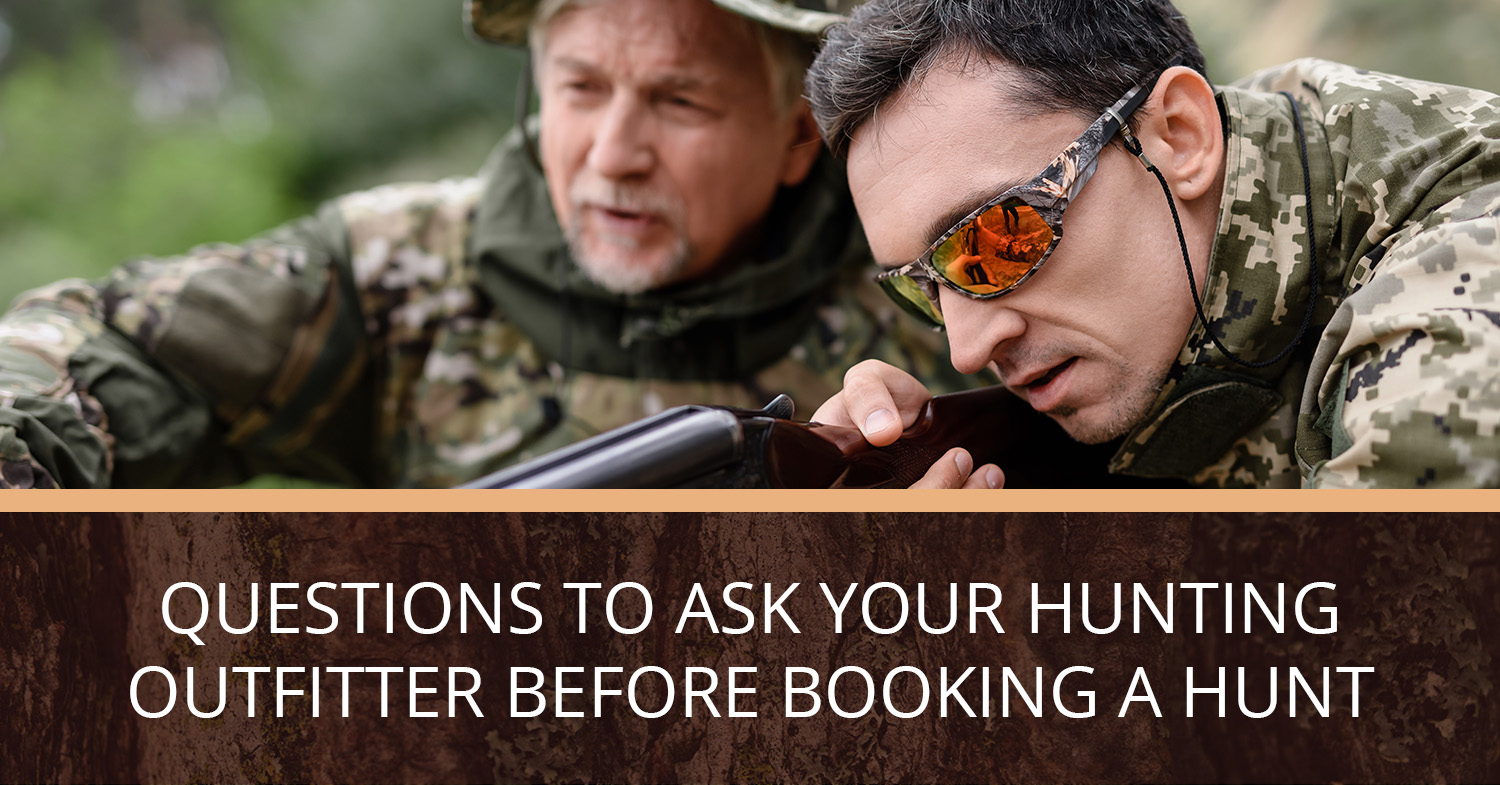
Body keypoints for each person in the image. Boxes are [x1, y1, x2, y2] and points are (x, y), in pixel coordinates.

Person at [0, 0, 968, 489]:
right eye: (581, 89)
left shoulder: (943, 287)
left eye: (679, 101)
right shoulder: (398, 266)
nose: (614, 153)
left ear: (800, 133)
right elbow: (99, 338)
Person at [805, 0, 1500, 488]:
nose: (965, 347)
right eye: (923, 284)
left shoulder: (1453, 320)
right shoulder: (1214, 183)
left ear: (1180, 136)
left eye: (997, 237)